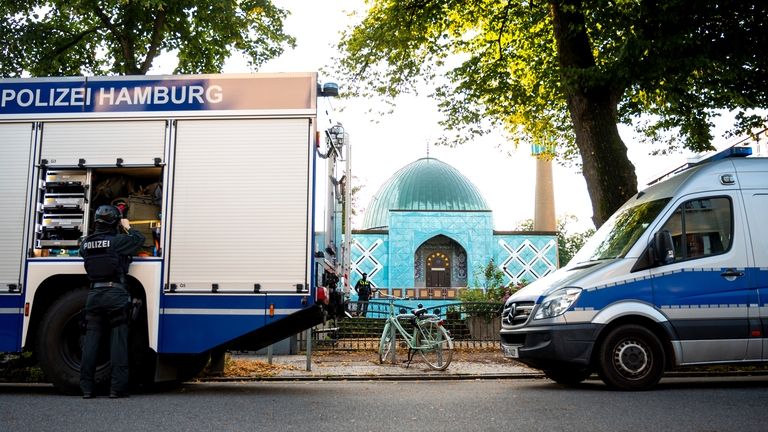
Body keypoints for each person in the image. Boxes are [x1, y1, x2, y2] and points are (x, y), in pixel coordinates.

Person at [79, 205, 144, 399]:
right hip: (115, 294)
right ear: (115, 222)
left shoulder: (86, 244)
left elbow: (86, 254)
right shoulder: (117, 242)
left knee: (90, 343)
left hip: (94, 295)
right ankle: (117, 389)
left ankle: (86, 389)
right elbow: (139, 240)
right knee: (118, 343)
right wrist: (128, 226)